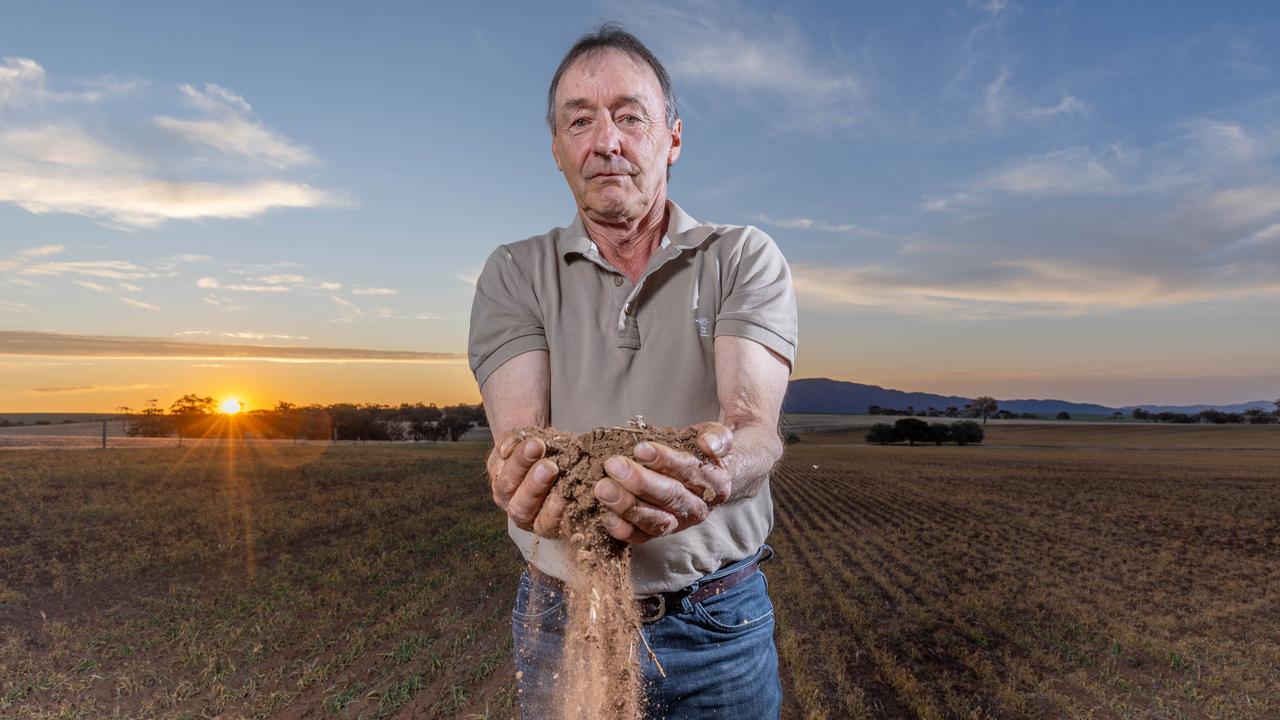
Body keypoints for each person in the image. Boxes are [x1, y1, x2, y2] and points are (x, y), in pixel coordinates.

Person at [467, 23, 797, 719]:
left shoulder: (740, 257)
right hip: (563, 619)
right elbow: (521, 436)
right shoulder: (515, 272)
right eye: (579, 120)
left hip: (718, 625)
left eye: (628, 116)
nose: (605, 141)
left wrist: (713, 473)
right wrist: (517, 478)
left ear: (672, 137)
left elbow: (753, 429)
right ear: (557, 148)